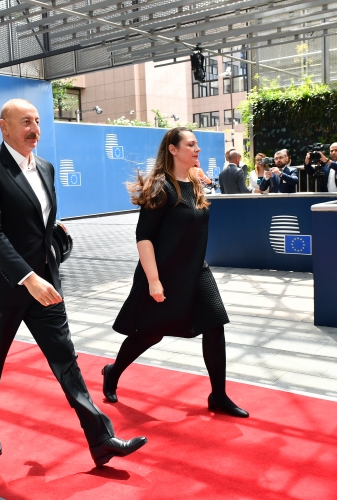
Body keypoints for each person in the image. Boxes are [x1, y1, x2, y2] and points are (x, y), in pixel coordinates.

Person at [0, 99, 147, 466]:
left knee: (66, 358)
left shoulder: (45, 167)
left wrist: (46, 265)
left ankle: (101, 438)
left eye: (38, 121)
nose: (35, 129)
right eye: (26, 121)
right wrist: (27, 278)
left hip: (45, 284)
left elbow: (39, 226)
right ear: (4, 126)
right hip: (5, 286)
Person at [105, 127, 249, 419]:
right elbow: (144, 237)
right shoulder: (161, 187)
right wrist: (154, 281)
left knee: (215, 324)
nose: (197, 149)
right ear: (173, 149)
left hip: (197, 270)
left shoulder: (194, 183)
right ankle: (113, 371)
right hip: (165, 274)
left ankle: (218, 395)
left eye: (197, 145)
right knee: (151, 334)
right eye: (191, 144)